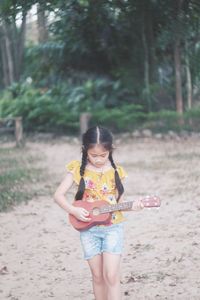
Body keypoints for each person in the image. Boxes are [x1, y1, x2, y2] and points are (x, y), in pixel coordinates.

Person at [54, 126, 144, 300]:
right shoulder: (77, 170)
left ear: (110, 151)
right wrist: (73, 210)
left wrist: (135, 206)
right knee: (97, 276)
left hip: (113, 228)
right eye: (93, 155)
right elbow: (58, 195)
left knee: (111, 275)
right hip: (88, 230)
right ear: (84, 151)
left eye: (103, 155)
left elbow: (119, 205)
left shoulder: (116, 171)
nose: (99, 160)